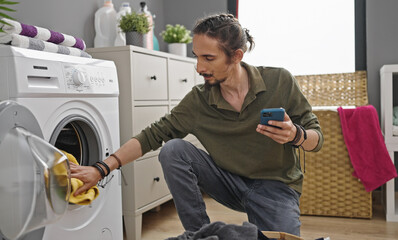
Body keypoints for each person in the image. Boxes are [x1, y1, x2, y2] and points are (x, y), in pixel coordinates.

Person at [71, 13, 323, 236]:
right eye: (197, 57)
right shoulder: (199, 100)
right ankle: (200, 235)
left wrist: (295, 135)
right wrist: (101, 169)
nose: (199, 67)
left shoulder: (280, 80)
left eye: (209, 58)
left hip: (275, 187)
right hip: (229, 181)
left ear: (236, 56)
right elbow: (151, 135)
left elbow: (317, 139)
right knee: (174, 150)